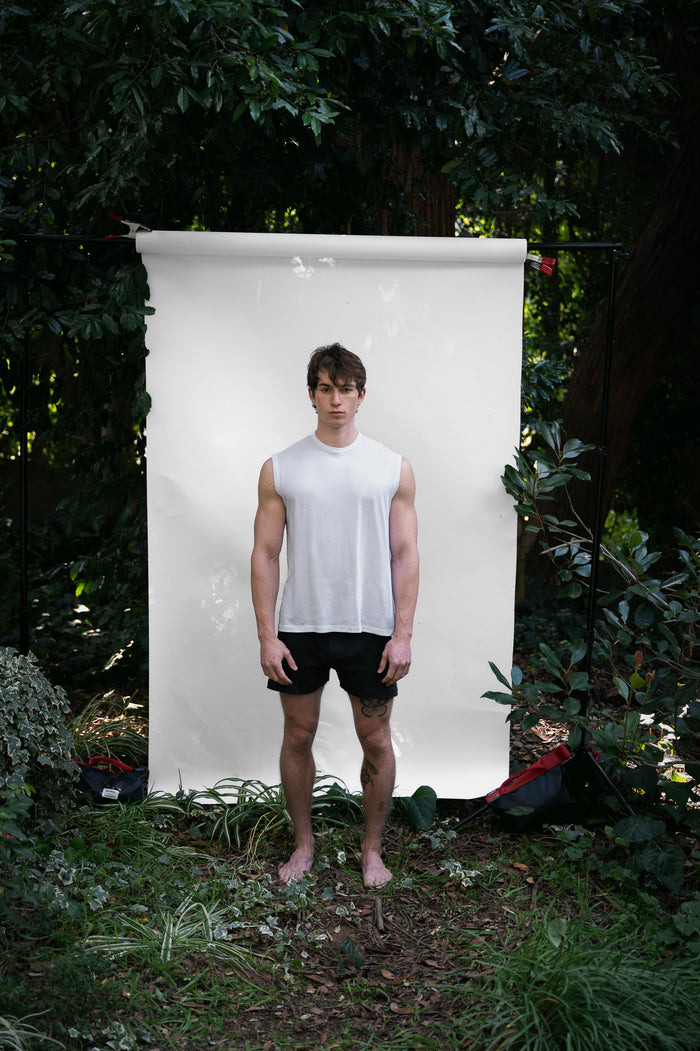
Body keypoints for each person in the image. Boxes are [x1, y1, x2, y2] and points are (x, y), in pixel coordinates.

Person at [251, 343, 419, 888]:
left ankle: (372, 851)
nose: (336, 400)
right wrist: (267, 636)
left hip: (370, 628)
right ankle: (303, 846)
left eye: (346, 389)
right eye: (326, 388)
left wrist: (402, 634)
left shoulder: (392, 468)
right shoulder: (281, 468)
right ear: (311, 394)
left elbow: (405, 554)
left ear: (361, 395)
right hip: (301, 627)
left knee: (377, 741)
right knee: (297, 736)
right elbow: (265, 555)